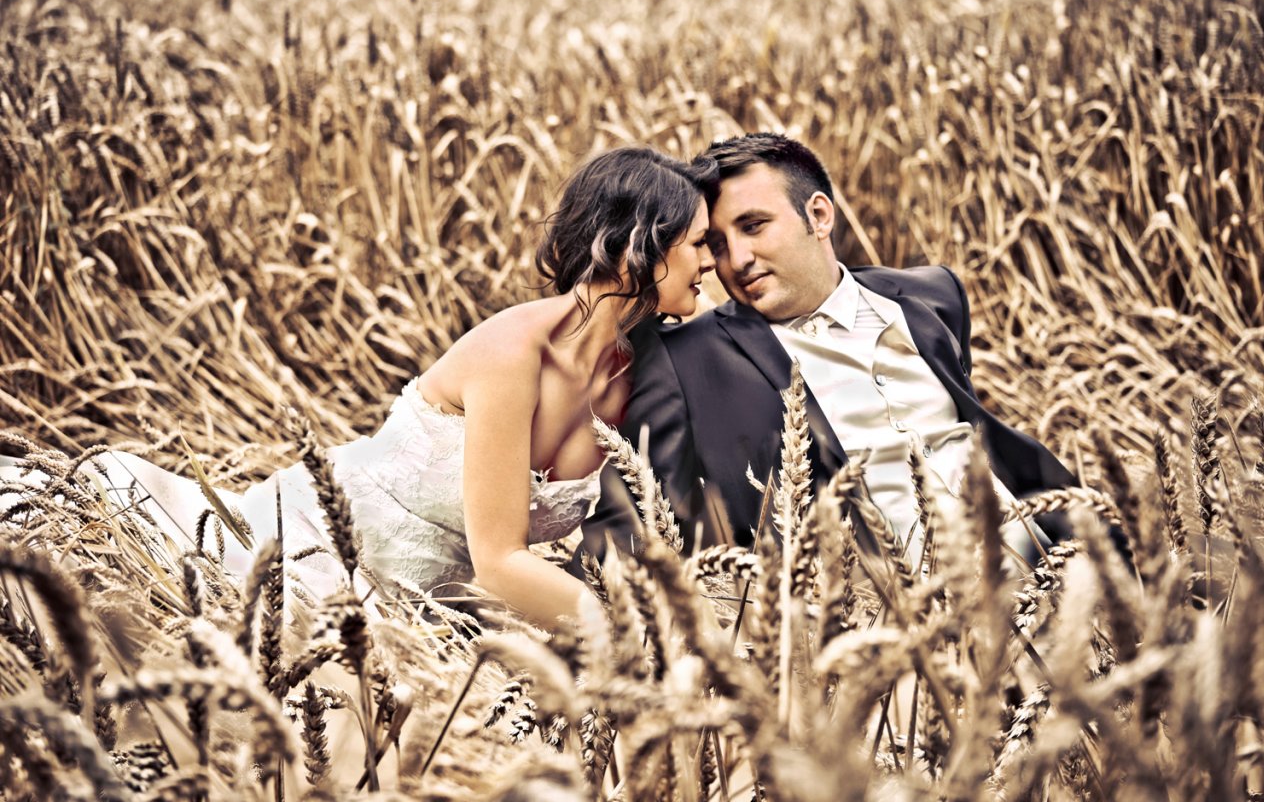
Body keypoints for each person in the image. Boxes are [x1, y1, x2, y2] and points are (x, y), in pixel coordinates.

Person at [0, 146, 715, 630]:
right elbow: (499, 563)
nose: (713, 262)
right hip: (313, 558)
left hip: (433, 615)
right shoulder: (514, 353)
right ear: (639, 248)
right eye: (700, 244)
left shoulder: (638, 373)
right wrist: (641, 637)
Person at [578, 133, 1077, 569]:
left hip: (1051, 576)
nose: (738, 259)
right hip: (894, 624)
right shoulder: (684, 362)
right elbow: (627, 532)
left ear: (818, 216)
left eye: (754, 226)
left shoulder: (934, 295)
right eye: (718, 243)